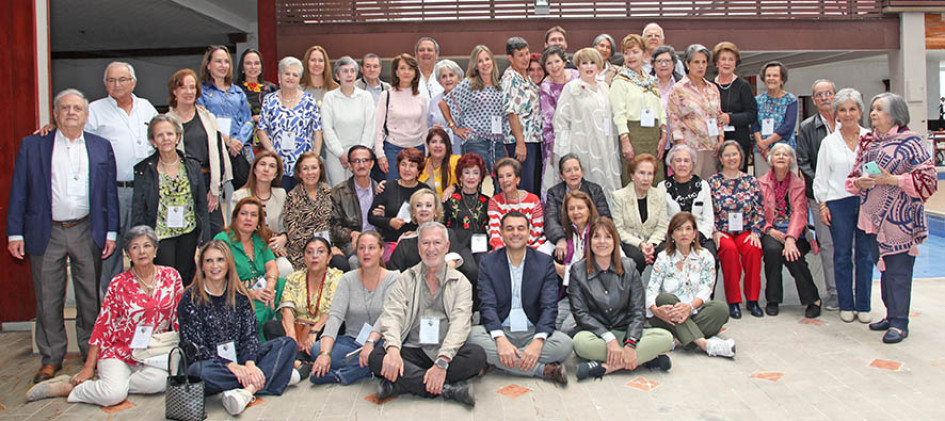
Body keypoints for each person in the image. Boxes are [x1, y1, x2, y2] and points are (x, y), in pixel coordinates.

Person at [8, 89, 119, 383]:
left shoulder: (100, 146)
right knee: (48, 296)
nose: (71, 112)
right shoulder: (34, 145)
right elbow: (19, 189)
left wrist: (110, 231)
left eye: (77, 108)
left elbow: (108, 193)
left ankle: (90, 354)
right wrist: (15, 233)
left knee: (89, 297)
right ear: (55, 114)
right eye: (65, 108)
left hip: (87, 229)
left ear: (86, 115)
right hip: (46, 231)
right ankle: (51, 358)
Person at [25, 226, 183, 405]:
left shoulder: (171, 277)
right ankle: (70, 388)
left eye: (147, 246)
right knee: (112, 396)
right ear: (128, 254)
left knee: (161, 382)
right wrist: (88, 367)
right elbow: (103, 326)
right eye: (135, 247)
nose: (142, 252)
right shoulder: (118, 284)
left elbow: (178, 318)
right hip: (119, 351)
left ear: (155, 250)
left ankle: (108, 384)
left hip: (153, 351)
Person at [846, 93, 937, 344]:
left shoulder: (912, 142)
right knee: (884, 270)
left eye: (879, 109)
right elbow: (853, 176)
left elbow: (929, 180)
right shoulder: (869, 142)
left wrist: (894, 180)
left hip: (900, 221)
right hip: (873, 220)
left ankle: (900, 322)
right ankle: (890, 314)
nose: (873, 113)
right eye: (872, 109)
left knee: (898, 272)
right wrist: (859, 182)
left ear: (895, 114)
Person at [369, 222, 486, 407]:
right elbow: (392, 315)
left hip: (445, 350)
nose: (431, 249)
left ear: (447, 247)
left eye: (437, 243)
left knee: (477, 356)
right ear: (418, 247)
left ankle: (401, 384)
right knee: (377, 357)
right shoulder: (406, 278)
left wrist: (442, 362)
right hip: (413, 348)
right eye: (425, 243)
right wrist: (393, 350)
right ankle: (447, 389)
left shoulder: (460, 282)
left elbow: (460, 324)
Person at [178, 240, 299, 416]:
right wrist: (231, 366)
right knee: (197, 372)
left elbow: (250, 335)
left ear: (228, 264)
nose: (215, 266)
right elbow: (193, 347)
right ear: (202, 266)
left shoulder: (240, 295)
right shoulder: (190, 298)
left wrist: (249, 363)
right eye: (209, 261)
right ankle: (273, 376)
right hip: (212, 365)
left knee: (287, 344)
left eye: (220, 260)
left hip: (241, 359)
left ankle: (247, 392)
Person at [469, 212, 573, 384]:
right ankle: (542, 369)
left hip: (532, 330)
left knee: (565, 344)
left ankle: (497, 362)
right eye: (510, 229)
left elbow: (549, 307)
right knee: (471, 337)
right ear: (501, 233)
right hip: (501, 329)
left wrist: (538, 342)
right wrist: (500, 340)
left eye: (520, 228)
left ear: (529, 232)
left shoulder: (544, 262)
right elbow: (487, 306)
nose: (515, 233)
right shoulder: (488, 262)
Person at [83, 62, 158, 290]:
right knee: (110, 250)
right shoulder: (94, 110)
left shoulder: (146, 107)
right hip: (113, 192)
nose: (117, 84)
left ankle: (143, 300)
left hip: (144, 191)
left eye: (122, 79)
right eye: (111, 80)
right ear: (105, 83)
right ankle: (111, 303)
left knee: (144, 248)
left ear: (133, 82)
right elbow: (80, 143)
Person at [570, 217, 674, 380]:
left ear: (615, 241)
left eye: (608, 237)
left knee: (665, 338)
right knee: (580, 343)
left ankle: (606, 367)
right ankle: (644, 359)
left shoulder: (629, 267)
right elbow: (580, 313)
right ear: (589, 241)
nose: (602, 242)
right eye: (596, 236)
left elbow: (638, 310)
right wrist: (609, 338)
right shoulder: (578, 270)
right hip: (597, 335)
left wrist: (631, 343)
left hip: (626, 331)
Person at [813, 88, 873, 323]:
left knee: (865, 255)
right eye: (843, 110)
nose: (848, 114)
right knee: (842, 254)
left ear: (860, 112)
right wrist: (823, 205)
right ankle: (846, 303)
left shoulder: (871, 139)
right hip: (838, 203)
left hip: (866, 203)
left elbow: (877, 170)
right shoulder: (829, 142)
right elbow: (821, 177)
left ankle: (864, 304)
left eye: (852, 109)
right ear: (837, 113)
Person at [311, 231, 399, 385]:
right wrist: (325, 353)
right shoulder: (347, 279)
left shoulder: (394, 278)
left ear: (381, 251)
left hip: (381, 340)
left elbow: (387, 315)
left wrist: (370, 342)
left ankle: (342, 375)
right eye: (361, 248)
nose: (366, 253)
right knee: (316, 349)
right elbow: (335, 316)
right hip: (352, 342)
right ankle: (368, 367)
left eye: (371, 248)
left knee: (385, 351)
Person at [131, 114, 209, 284]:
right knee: (165, 281)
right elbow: (138, 208)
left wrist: (205, 239)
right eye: (160, 135)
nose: (165, 138)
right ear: (153, 141)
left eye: (170, 134)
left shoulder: (192, 166)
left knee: (185, 279)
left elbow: (201, 205)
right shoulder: (144, 170)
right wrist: (138, 240)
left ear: (178, 137)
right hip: (161, 235)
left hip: (188, 233)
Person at [646, 212, 735, 358]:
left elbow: (706, 289)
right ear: (672, 235)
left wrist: (689, 307)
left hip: (696, 312)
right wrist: (656, 311)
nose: (684, 233)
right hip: (668, 315)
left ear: (694, 234)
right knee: (664, 298)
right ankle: (705, 344)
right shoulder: (663, 258)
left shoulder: (705, 256)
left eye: (688, 229)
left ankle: (677, 340)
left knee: (721, 309)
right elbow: (651, 289)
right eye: (679, 229)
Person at [548, 48, 622, 197]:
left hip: (606, 145)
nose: (589, 67)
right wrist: (563, 152)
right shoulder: (571, 88)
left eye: (592, 63)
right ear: (578, 66)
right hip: (582, 146)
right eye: (584, 63)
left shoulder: (604, 87)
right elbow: (561, 121)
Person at [759, 144, 822, 318]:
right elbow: (757, 211)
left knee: (793, 255)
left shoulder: (799, 184)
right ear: (771, 159)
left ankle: (813, 299)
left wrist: (790, 238)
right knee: (772, 250)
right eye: (777, 154)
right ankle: (772, 299)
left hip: (796, 233)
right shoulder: (761, 183)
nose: (780, 157)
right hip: (771, 231)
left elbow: (800, 213)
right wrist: (769, 229)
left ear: (791, 160)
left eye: (785, 155)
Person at [167, 68, 232, 235]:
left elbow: (219, 153)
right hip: (181, 183)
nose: (189, 92)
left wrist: (215, 190)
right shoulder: (167, 122)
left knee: (216, 233)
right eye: (183, 87)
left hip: (208, 182)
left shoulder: (207, 117)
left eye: (192, 87)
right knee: (187, 234)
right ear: (174, 91)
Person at [388, 190, 478, 302]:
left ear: (435, 211)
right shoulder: (405, 242)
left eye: (429, 205)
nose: (424, 209)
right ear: (413, 212)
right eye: (418, 205)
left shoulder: (448, 234)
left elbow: (453, 261)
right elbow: (395, 275)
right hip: (413, 298)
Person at [213, 197, 286, 337]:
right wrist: (252, 293)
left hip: (263, 287)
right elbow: (220, 279)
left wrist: (270, 287)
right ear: (235, 217)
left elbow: (272, 267)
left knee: (287, 289)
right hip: (236, 291)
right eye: (243, 214)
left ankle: (288, 338)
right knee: (256, 313)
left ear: (259, 221)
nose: (248, 219)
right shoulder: (222, 240)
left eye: (253, 215)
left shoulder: (259, 239)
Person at [708, 141, 764, 319]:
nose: (731, 158)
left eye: (734, 154)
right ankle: (733, 301)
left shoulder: (751, 181)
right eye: (727, 155)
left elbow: (759, 209)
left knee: (753, 249)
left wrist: (756, 232)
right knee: (729, 251)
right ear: (721, 159)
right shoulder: (712, 182)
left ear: (741, 156)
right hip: (722, 231)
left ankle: (753, 300)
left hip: (746, 230)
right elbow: (707, 211)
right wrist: (714, 231)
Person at [798, 79, 839, 310]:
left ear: (835, 96)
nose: (825, 98)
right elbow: (803, 162)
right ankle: (834, 292)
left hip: (847, 195)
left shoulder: (848, 123)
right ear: (814, 100)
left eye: (828, 93)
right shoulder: (807, 127)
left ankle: (853, 290)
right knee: (828, 244)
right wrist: (824, 185)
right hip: (820, 196)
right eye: (820, 95)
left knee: (852, 244)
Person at [257, 56, 322, 192]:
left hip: (303, 165)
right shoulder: (269, 100)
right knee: (280, 200)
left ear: (299, 78)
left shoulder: (309, 100)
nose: (290, 77)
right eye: (287, 73)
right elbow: (261, 130)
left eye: (295, 75)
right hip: (278, 163)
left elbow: (317, 130)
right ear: (279, 76)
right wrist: (272, 152)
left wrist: (314, 157)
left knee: (303, 201)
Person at [441, 45, 508, 175]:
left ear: (492, 61)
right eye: (480, 61)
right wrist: (454, 128)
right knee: (474, 180)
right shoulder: (469, 84)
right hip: (476, 141)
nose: (484, 63)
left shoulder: (500, 86)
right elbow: (443, 103)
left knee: (500, 179)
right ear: (475, 66)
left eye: (487, 59)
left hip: (497, 143)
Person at [610, 34, 667, 186]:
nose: (631, 56)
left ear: (643, 53)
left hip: (653, 136)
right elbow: (619, 114)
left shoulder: (650, 81)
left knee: (655, 178)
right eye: (627, 53)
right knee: (635, 178)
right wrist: (625, 141)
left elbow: (660, 109)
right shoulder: (620, 81)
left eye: (635, 52)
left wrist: (663, 134)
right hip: (633, 135)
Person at [265, 238, 342, 347]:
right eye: (309, 252)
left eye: (320, 252)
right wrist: (291, 335)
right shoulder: (294, 278)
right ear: (304, 257)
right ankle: (294, 354)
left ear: (329, 257)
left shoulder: (337, 277)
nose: (315, 256)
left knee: (331, 329)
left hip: (321, 327)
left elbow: (332, 310)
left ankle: (296, 354)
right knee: (271, 327)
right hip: (298, 327)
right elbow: (287, 308)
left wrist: (314, 331)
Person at [230, 151, 294, 277]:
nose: (266, 169)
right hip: (247, 251)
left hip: (275, 251)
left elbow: (285, 226)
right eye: (262, 164)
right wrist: (264, 245)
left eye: (272, 166)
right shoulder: (239, 196)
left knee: (285, 268)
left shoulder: (281, 194)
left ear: (276, 174)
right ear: (254, 169)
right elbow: (233, 230)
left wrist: (283, 238)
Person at [667, 44, 724, 180]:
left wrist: (721, 139)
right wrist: (681, 146)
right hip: (690, 147)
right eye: (696, 62)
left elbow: (719, 116)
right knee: (692, 184)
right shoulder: (678, 89)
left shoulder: (713, 88)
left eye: (704, 62)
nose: (701, 66)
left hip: (712, 147)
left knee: (710, 185)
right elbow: (674, 120)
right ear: (687, 64)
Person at [197, 46, 253, 179]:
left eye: (226, 61)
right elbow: (203, 121)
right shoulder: (201, 92)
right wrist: (226, 140)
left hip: (238, 150)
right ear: (208, 65)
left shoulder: (238, 92)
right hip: (214, 151)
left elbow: (248, 121)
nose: (223, 65)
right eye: (218, 61)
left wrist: (238, 141)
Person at [321, 56, 376, 187]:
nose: (349, 75)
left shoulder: (365, 97)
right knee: (339, 191)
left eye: (352, 71)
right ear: (337, 76)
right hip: (336, 156)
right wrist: (340, 153)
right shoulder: (329, 98)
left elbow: (370, 127)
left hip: (361, 157)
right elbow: (327, 129)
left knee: (360, 190)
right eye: (345, 71)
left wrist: (360, 155)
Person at [545, 154, 612, 261]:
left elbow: (605, 218)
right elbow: (550, 220)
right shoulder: (554, 193)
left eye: (576, 169)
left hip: (592, 236)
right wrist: (560, 239)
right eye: (568, 171)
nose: (573, 174)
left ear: (582, 171)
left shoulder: (594, 190)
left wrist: (595, 236)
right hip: (565, 236)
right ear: (561, 175)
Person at [552, 190, 600, 335]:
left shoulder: (599, 234)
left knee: (567, 329)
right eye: (571, 209)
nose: (576, 212)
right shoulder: (567, 235)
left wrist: (563, 271)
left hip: (594, 298)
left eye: (580, 208)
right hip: (571, 296)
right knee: (550, 321)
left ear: (589, 210)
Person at [374, 53, 429, 181]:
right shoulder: (386, 95)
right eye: (402, 68)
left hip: (417, 148)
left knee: (416, 189)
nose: (406, 72)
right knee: (394, 187)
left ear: (415, 72)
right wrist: (380, 154)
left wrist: (427, 154)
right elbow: (377, 128)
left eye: (410, 68)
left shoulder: (421, 98)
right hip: (393, 149)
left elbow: (424, 128)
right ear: (396, 72)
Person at [657, 144, 716, 260]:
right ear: (671, 164)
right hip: (672, 237)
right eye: (678, 160)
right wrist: (677, 236)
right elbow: (661, 220)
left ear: (692, 164)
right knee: (662, 253)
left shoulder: (703, 185)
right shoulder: (662, 187)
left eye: (686, 161)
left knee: (710, 255)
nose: (682, 164)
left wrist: (695, 237)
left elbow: (708, 219)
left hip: (699, 236)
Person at [367, 148, 430, 256]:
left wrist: (416, 232)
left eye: (412, 165)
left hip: (417, 242)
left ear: (419, 170)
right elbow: (371, 217)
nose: (406, 169)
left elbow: (432, 220)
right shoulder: (387, 187)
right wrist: (389, 221)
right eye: (403, 164)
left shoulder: (424, 191)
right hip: (390, 243)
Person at [612, 154, 668, 274]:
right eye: (641, 173)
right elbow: (618, 229)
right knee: (635, 258)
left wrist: (651, 244)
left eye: (650, 174)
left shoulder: (660, 195)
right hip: (630, 242)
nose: (646, 178)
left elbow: (662, 226)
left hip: (653, 241)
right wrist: (640, 244)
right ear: (632, 175)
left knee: (666, 253)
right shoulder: (619, 196)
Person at [501, 37, 543, 195]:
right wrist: (520, 143)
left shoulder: (527, 77)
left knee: (534, 185)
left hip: (533, 138)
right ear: (510, 58)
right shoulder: (510, 79)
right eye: (520, 55)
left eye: (527, 53)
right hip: (520, 141)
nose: (525, 58)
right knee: (524, 186)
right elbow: (511, 113)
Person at [283, 152, 336, 270]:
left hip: (328, 249)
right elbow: (293, 234)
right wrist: (317, 246)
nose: (310, 172)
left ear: (320, 170)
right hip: (303, 251)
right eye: (305, 168)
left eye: (314, 168)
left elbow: (335, 223)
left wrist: (329, 246)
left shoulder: (329, 191)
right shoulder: (292, 196)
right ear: (299, 173)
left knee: (340, 262)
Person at [539, 45, 580, 194]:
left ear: (564, 62)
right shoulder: (546, 86)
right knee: (556, 175)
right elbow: (548, 119)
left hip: (580, 132)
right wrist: (553, 148)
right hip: (558, 137)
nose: (554, 66)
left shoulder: (576, 76)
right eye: (549, 63)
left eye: (557, 61)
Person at [711, 42, 757, 174]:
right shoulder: (709, 86)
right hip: (715, 140)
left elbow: (752, 114)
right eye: (723, 59)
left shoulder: (743, 86)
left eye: (731, 59)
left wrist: (730, 118)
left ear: (736, 63)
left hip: (738, 139)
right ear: (717, 63)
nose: (727, 63)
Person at [330, 145, 379, 258]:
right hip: (352, 242)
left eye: (365, 160)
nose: (361, 165)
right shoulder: (338, 192)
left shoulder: (381, 190)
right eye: (356, 161)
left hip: (378, 240)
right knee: (355, 260)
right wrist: (351, 234)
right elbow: (333, 228)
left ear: (371, 164)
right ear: (350, 166)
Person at [487, 158, 546, 250]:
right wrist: (506, 251)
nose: (505, 180)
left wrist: (521, 250)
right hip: (504, 249)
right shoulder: (494, 201)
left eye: (509, 175)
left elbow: (537, 231)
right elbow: (495, 232)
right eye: (501, 177)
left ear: (518, 179)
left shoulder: (533, 200)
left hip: (531, 247)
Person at [751, 61, 797, 176]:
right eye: (768, 75)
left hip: (784, 151)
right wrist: (762, 145)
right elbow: (754, 124)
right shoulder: (757, 100)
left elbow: (788, 126)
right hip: (761, 151)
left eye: (775, 75)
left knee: (786, 183)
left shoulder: (790, 100)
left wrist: (767, 142)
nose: (771, 78)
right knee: (764, 184)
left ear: (782, 80)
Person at [443, 153, 491, 251]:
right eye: (467, 172)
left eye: (475, 173)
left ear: (480, 177)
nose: (471, 177)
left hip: (481, 248)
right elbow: (441, 227)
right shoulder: (450, 200)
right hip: (457, 248)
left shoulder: (487, 201)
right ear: (460, 176)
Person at [428, 59, 463, 155]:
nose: (448, 79)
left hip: (464, 150)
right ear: (439, 81)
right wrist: (433, 130)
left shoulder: (467, 98)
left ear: (459, 77)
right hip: (441, 153)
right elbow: (428, 127)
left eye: (451, 75)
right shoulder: (434, 101)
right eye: (444, 76)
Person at [236, 48, 278, 123]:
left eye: (256, 63)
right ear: (242, 67)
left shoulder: (272, 89)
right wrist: (253, 119)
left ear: (261, 67)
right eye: (248, 63)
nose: (253, 67)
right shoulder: (235, 90)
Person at [418, 127, 460, 200]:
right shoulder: (422, 163)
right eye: (434, 142)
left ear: (447, 146)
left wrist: (454, 186)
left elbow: (468, 184)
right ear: (428, 145)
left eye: (442, 142)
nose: (438, 145)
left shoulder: (457, 161)